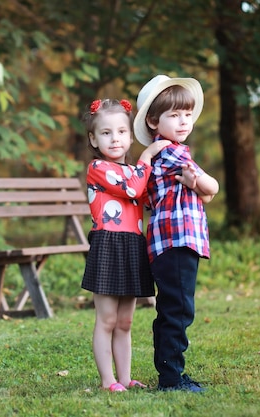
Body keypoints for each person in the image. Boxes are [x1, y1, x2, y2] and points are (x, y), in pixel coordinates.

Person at [133, 75, 220, 392]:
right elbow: (212, 188)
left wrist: (200, 187)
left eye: (188, 114)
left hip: (166, 242)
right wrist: (204, 185)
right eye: (175, 115)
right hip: (177, 239)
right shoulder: (174, 154)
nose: (184, 121)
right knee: (178, 310)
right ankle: (171, 378)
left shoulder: (161, 154)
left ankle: (171, 373)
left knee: (171, 307)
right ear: (154, 120)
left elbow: (204, 193)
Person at [81, 98, 170, 392]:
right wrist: (146, 159)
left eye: (121, 132)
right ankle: (108, 381)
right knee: (106, 319)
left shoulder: (134, 171)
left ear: (130, 135)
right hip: (107, 245)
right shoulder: (98, 168)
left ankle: (125, 378)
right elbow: (132, 188)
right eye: (106, 133)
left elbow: (147, 196)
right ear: (94, 138)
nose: (115, 138)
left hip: (132, 245)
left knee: (125, 321)